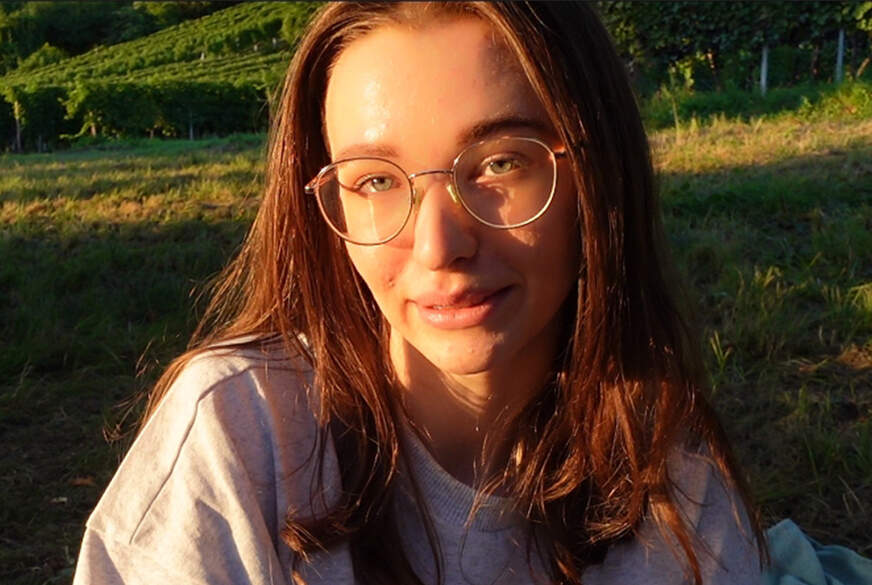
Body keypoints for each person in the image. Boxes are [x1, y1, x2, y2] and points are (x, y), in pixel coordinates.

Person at [73, 2, 767, 584]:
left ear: (597, 176)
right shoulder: (242, 432)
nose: (438, 246)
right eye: (375, 179)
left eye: (500, 163)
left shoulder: (668, 477)